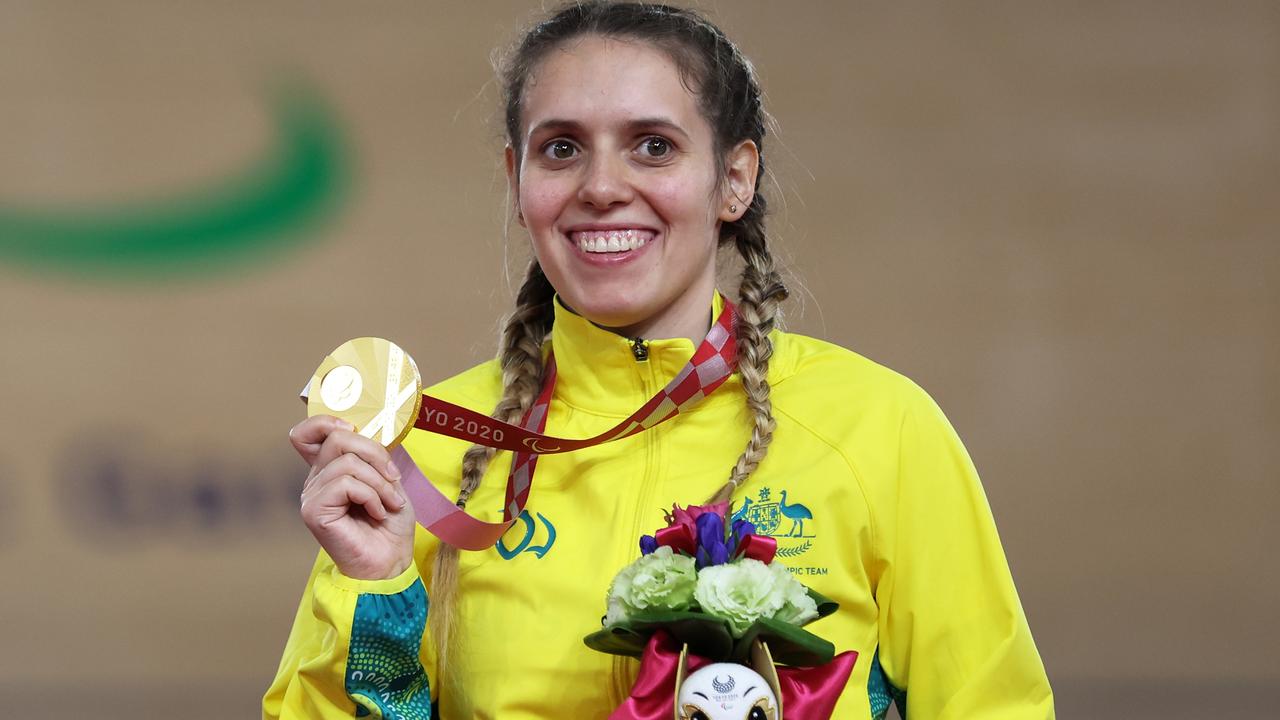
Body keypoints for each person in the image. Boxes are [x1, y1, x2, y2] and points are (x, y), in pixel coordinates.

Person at [263, 3, 1054, 718]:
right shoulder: (427, 456)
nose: (602, 186)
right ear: (518, 181)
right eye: (562, 148)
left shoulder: (881, 428)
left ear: (733, 180)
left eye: (652, 146)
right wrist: (376, 594)